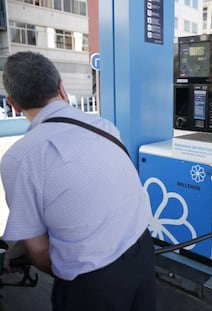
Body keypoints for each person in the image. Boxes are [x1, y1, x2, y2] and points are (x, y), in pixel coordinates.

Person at [0, 51, 157, 310]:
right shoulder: (104, 126)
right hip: (142, 257)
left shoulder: (20, 157)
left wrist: (78, 269)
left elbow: (38, 251)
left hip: (93, 284)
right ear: (61, 88)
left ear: (14, 104)